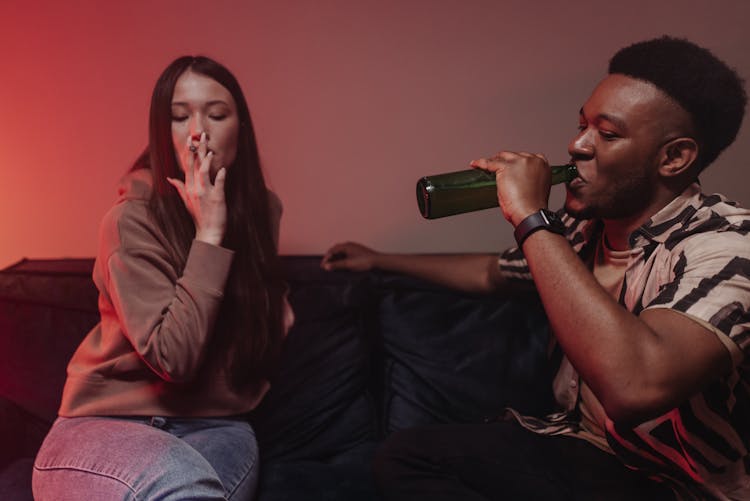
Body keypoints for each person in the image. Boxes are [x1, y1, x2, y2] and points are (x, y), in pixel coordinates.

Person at [322, 36, 749, 499]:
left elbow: (635, 386)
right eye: (581, 125)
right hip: (585, 451)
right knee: (407, 455)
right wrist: (380, 259)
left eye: (606, 134)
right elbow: (494, 272)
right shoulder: (584, 229)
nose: (576, 145)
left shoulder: (729, 244)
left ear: (673, 157)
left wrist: (532, 219)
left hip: (672, 483)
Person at [32, 55, 292, 500]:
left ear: (240, 130)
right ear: (162, 133)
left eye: (216, 114)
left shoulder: (260, 213)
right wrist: (209, 235)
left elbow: (262, 341)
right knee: (183, 487)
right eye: (179, 116)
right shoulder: (129, 220)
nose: (197, 130)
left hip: (216, 424)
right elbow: (175, 359)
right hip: (106, 424)